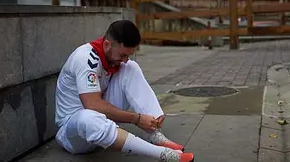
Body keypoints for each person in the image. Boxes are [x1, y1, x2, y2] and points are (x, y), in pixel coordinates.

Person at [53, 20, 194, 161]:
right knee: (87, 117)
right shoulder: (85, 59)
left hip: (101, 124)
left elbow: (99, 104)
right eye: (122, 55)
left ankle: (153, 132)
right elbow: (93, 105)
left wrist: (145, 118)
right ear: (107, 44)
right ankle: (164, 155)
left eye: (128, 55)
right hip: (73, 134)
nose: (125, 60)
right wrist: (136, 119)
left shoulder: (112, 57)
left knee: (131, 67)